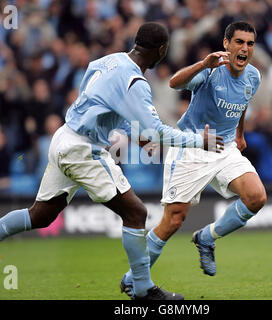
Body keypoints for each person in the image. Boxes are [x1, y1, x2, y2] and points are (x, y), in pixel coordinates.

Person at [0, 22, 224, 300]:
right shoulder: (136, 83)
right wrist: (199, 141)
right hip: (84, 149)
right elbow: (158, 131)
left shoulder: (107, 61)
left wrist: (136, 134)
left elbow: (102, 103)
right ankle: (142, 289)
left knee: (41, 215)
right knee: (136, 213)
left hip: (64, 137)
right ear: (162, 50)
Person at [121, 21, 267, 298]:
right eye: (239, 42)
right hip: (191, 146)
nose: (245, 49)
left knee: (256, 197)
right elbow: (175, 83)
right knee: (173, 220)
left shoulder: (253, 77)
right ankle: (133, 279)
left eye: (249, 44)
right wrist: (203, 64)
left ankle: (206, 238)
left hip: (223, 147)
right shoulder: (212, 71)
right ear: (226, 44)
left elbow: (244, 101)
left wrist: (239, 132)